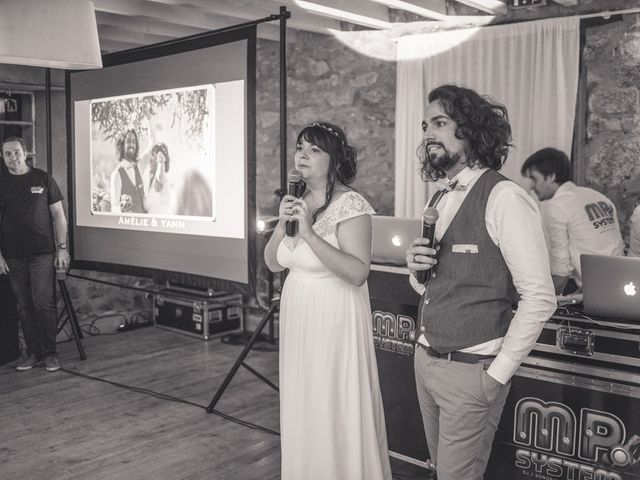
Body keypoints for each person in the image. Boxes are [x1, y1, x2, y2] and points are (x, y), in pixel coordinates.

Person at [405, 85, 556, 480]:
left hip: (472, 371)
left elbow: (540, 297)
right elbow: (436, 286)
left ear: (470, 131)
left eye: (440, 123)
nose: (428, 135)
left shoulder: (504, 196)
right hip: (426, 361)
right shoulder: (439, 198)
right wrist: (415, 268)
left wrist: (496, 375)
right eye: (425, 125)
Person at [264, 122, 391, 480]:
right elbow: (273, 263)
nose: (301, 155)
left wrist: (308, 233)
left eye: (313, 149)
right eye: (300, 147)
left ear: (334, 160)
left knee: (332, 402)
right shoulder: (297, 202)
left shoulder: (351, 204)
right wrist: (281, 225)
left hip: (334, 318)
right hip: (298, 314)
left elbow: (357, 272)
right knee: (304, 402)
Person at [0, 136, 70, 372]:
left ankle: (50, 354)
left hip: (42, 253)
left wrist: (62, 248)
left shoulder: (43, 178)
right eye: (7, 154)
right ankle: (32, 353)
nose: (13, 157)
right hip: (13, 256)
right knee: (23, 305)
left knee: (43, 303)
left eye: (16, 152)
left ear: (26, 152)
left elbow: (59, 215)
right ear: (2, 156)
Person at [521, 147, 624, 294]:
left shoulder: (557, 206)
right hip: (622, 284)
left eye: (534, 178)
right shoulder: (598, 196)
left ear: (550, 176)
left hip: (597, 295)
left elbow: (561, 269)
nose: (532, 186)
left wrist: (546, 302)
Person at [110, 128, 147, 214]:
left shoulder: (139, 166)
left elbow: (153, 143)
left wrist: (149, 117)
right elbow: (114, 209)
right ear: (122, 144)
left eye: (134, 142)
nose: (132, 144)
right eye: (128, 141)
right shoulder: (117, 174)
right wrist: (123, 211)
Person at [142, 143, 172, 214]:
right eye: (152, 155)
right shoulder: (148, 180)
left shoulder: (162, 177)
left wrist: (161, 161)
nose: (151, 159)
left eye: (154, 156)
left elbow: (160, 176)